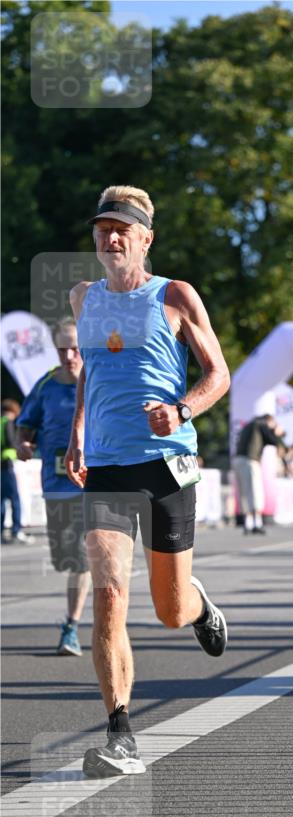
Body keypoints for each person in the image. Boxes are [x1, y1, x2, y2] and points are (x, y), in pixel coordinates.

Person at [66, 184, 230, 778]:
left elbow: (219, 375)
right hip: (107, 464)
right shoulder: (83, 298)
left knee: (166, 608)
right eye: (102, 228)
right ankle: (121, 735)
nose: (110, 238)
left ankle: (197, 603)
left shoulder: (176, 296)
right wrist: (77, 431)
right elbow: (89, 372)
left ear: (145, 239)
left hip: (166, 462)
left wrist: (183, 409)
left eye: (122, 229)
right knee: (108, 596)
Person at [16, 318, 91, 655]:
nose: (69, 355)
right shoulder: (46, 385)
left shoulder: (100, 382)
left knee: (82, 558)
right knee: (65, 558)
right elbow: (24, 426)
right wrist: (23, 445)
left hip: (95, 486)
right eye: (62, 349)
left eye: (75, 348)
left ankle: (71, 627)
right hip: (56, 484)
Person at [233, 414, 285, 534]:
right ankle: (257, 523)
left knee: (244, 492)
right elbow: (272, 439)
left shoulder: (248, 425)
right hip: (250, 460)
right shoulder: (261, 424)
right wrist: (278, 434)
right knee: (255, 491)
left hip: (238, 460)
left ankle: (247, 523)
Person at [1, 399, 32, 545]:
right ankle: (16, 530)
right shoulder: (7, 422)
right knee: (14, 499)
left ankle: (1, 531)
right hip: (6, 464)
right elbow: (10, 440)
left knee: (1, 501)